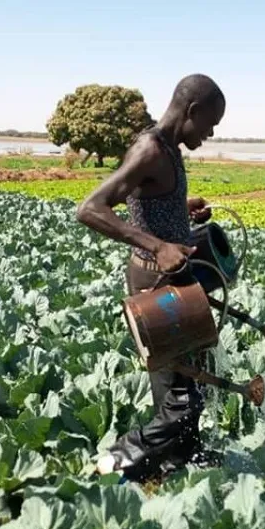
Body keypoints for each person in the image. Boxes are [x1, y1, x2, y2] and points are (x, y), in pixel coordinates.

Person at [75, 73, 226, 480]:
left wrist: (182, 209)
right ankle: (116, 461)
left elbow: (146, 203)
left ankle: (179, 462)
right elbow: (91, 208)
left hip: (172, 282)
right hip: (153, 288)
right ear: (191, 111)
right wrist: (159, 246)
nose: (210, 134)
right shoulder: (151, 148)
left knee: (183, 384)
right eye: (210, 124)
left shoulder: (169, 150)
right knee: (182, 400)